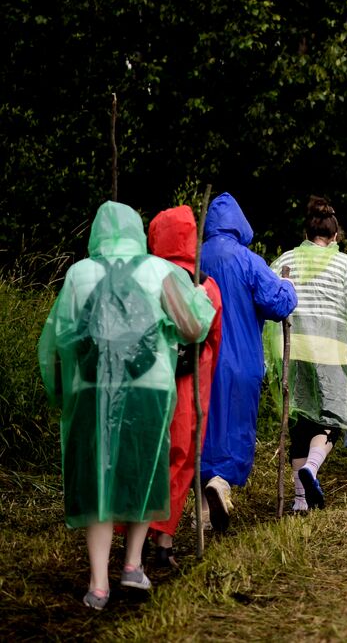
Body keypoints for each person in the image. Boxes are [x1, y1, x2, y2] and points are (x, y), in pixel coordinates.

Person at [38, 201, 214, 609]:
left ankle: (97, 583)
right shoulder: (159, 271)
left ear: (97, 232)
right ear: (137, 231)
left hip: (89, 389)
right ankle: (133, 565)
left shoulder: (79, 274)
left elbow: (57, 339)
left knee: (96, 481)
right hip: (148, 388)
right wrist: (200, 297)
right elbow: (191, 327)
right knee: (142, 472)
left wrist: (60, 393)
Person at [267, 197, 347, 511]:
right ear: (335, 236)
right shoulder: (342, 264)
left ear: (306, 232)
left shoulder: (287, 260)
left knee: (300, 418)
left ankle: (298, 501)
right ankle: (312, 466)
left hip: (293, 351)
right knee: (330, 417)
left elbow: (272, 296)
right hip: (333, 352)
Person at [200, 192, 298, 531]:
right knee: (236, 426)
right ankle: (222, 482)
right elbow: (278, 303)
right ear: (239, 224)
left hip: (198, 362)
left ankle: (203, 514)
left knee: (202, 429)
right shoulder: (247, 259)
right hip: (241, 360)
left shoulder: (192, 259)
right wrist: (287, 285)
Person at [146, 205, 224, 569]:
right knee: (180, 457)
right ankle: (164, 538)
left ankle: (138, 535)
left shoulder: (144, 278)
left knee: (147, 455)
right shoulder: (204, 284)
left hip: (146, 381)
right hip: (191, 383)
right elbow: (214, 337)